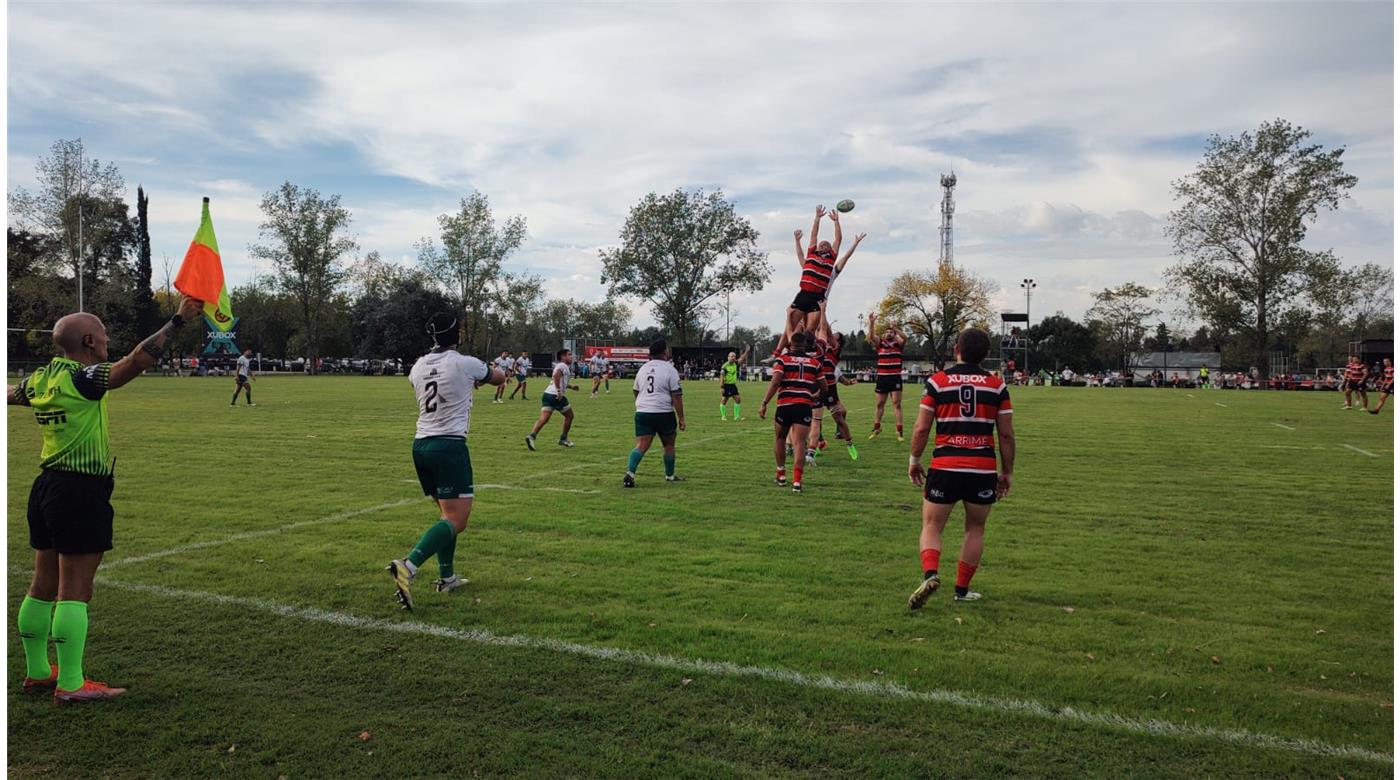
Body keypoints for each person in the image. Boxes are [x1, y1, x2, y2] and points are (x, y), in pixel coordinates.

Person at [8, 295, 204, 703]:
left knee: (42, 584)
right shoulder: (85, 378)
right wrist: (178, 322)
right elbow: (135, 362)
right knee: (75, 588)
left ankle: (39, 671)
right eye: (103, 334)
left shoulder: (42, 380)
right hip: (79, 489)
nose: (107, 339)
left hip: (45, 486)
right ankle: (72, 684)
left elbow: (10, 392)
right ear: (88, 341)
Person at [387, 313, 506, 611]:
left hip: (421, 445)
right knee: (456, 519)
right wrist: (480, 376)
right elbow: (500, 377)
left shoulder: (417, 366)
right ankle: (408, 566)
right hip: (448, 446)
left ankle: (447, 577)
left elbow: (435, 388)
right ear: (458, 335)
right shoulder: (463, 362)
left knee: (446, 516)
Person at [906, 327, 1015, 608]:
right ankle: (962, 590)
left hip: (945, 465)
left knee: (931, 525)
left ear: (957, 349)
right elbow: (1006, 434)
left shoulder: (938, 382)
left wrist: (914, 460)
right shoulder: (997, 386)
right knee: (975, 529)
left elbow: (921, 428)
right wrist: (1007, 472)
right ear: (986, 355)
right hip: (982, 468)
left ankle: (930, 574)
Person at [759, 331, 827, 493]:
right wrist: (815, 396)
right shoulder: (814, 363)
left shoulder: (782, 360)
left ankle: (781, 475)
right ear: (805, 344)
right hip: (803, 405)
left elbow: (775, 382)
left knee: (780, 439)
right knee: (799, 444)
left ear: (790, 344)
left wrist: (764, 403)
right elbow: (825, 387)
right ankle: (797, 481)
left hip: (785, 405)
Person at [624, 339, 686, 487]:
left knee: (641, 445)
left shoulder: (643, 369)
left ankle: (630, 473)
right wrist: (681, 418)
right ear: (665, 352)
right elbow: (676, 395)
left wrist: (641, 404)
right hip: (663, 412)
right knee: (669, 445)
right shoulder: (670, 369)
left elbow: (635, 390)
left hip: (643, 412)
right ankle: (670, 476)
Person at [808, 307, 858, 462]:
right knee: (816, 421)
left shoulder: (834, 349)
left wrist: (823, 310)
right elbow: (818, 328)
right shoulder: (819, 346)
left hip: (829, 388)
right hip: (816, 385)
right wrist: (816, 311)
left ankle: (849, 443)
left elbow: (824, 328)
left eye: (835, 336)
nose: (832, 336)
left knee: (838, 418)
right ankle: (813, 449)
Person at [526, 349, 579, 449]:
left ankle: (532, 436)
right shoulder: (562, 366)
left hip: (547, 394)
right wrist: (559, 392)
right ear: (563, 357)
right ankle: (563, 439)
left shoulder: (561, 366)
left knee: (544, 418)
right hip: (556, 396)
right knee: (569, 416)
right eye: (569, 355)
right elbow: (556, 376)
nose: (571, 357)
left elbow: (560, 380)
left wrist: (571, 387)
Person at [867, 313, 907, 441]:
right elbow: (872, 336)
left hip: (895, 377)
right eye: (887, 332)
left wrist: (896, 329)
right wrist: (872, 322)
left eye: (891, 332)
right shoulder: (880, 344)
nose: (889, 333)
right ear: (884, 335)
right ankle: (877, 428)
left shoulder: (898, 345)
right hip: (883, 377)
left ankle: (899, 431)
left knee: (896, 403)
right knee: (880, 403)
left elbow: (905, 338)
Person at [719, 345, 751, 420]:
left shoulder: (735, 364)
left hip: (733, 385)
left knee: (738, 399)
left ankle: (736, 416)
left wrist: (746, 351)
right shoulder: (725, 366)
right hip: (726, 385)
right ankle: (723, 416)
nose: (733, 358)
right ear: (728, 357)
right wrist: (722, 387)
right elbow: (721, 377)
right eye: (732, 356)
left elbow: (742, 358)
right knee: (724, 400)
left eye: (734, 356)